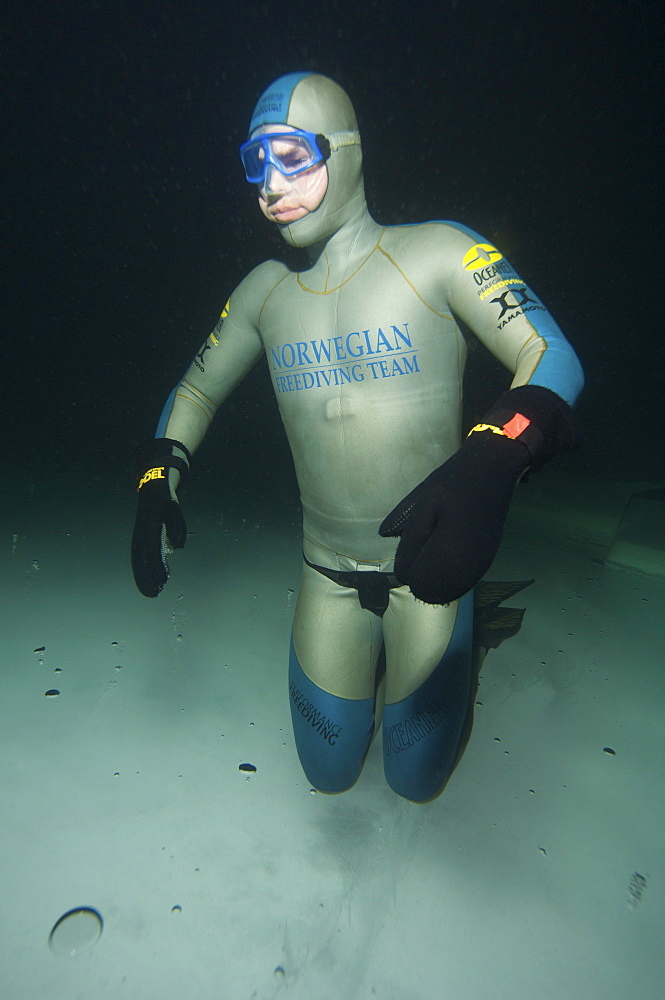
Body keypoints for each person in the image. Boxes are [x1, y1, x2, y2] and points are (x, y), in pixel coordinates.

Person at [131, 72, 583, 802]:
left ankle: (471, 633)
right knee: (327, 773)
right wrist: (157, 482)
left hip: (429, 571)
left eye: (291, 156)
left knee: (415, 784)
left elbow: (552, 356)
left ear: (346, 152)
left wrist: (490, 458)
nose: (271, 185)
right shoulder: (262, 294)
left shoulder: (439, 251)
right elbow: (194, 390)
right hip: (324, 573)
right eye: (254, 163)